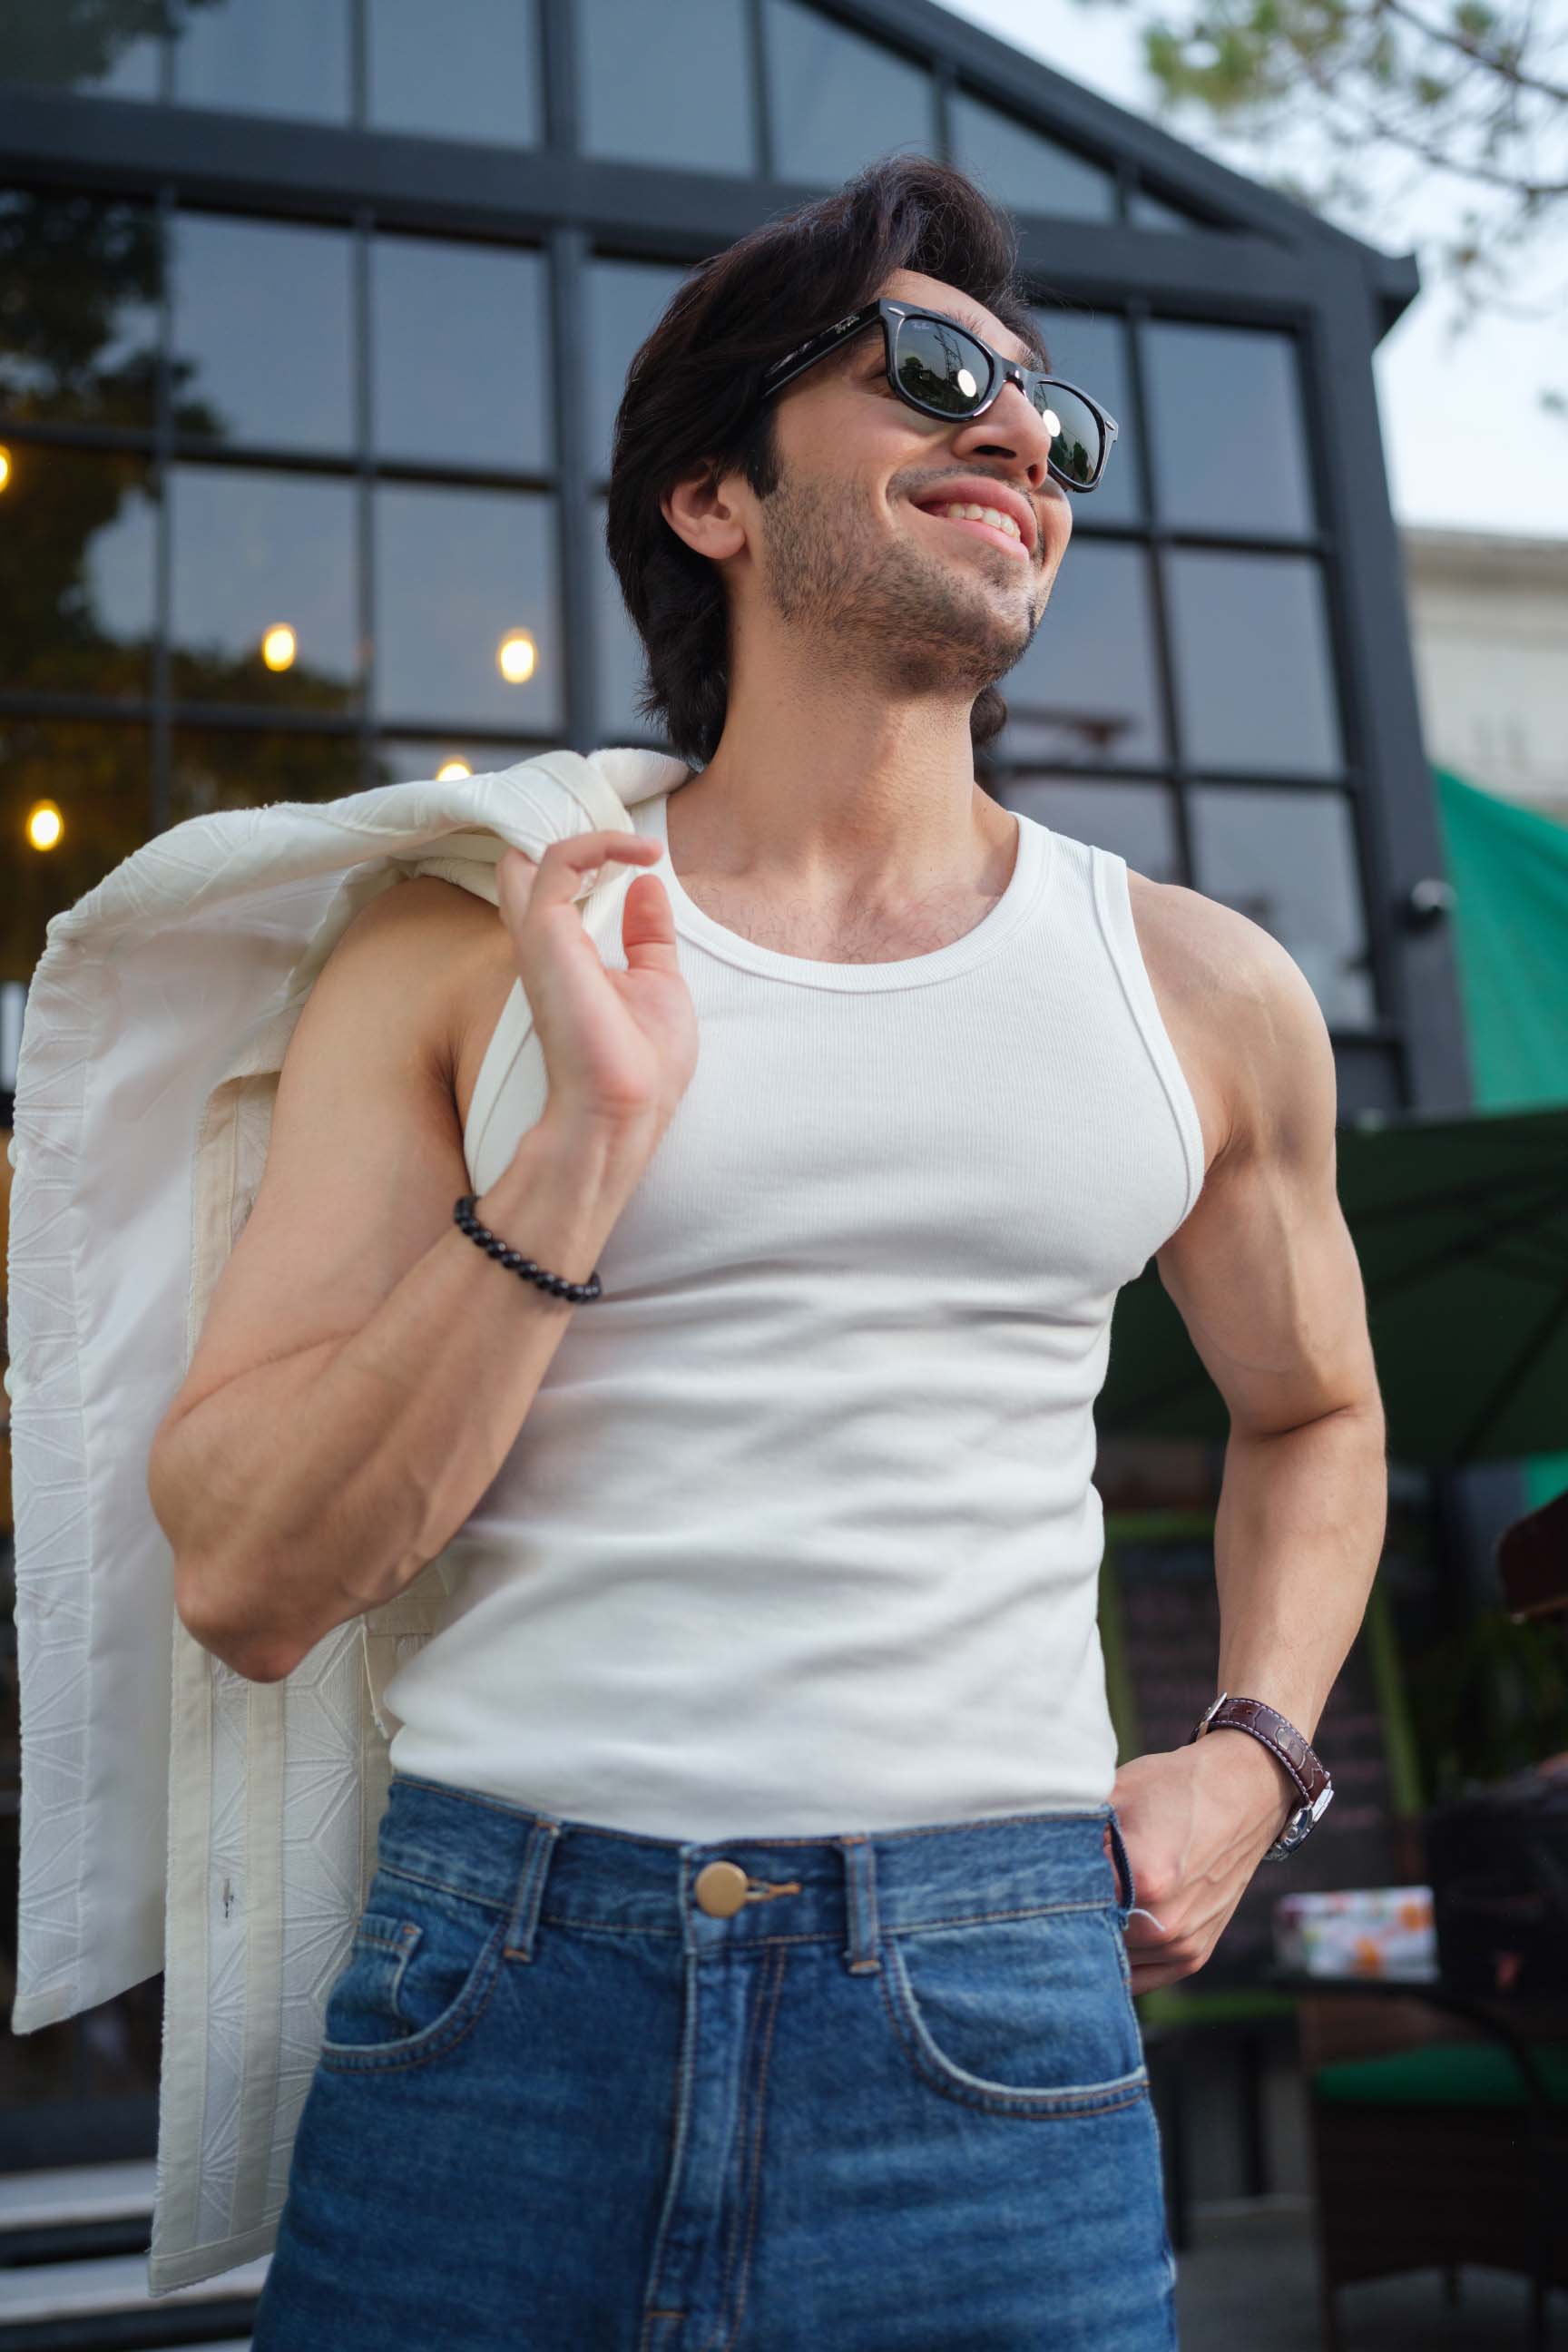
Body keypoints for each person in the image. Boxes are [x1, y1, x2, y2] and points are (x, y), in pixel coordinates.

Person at [154, 153, 1386, 2347]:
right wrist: (593, 1136)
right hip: (499, 1995)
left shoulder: (1200, 988)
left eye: (1055, 421)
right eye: (932, 376)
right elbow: (247, 1581)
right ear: (715, 496)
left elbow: (1318, 1410)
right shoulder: (458, 945)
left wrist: (1255, 1755)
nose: (1020, 439)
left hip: (992, 2013)